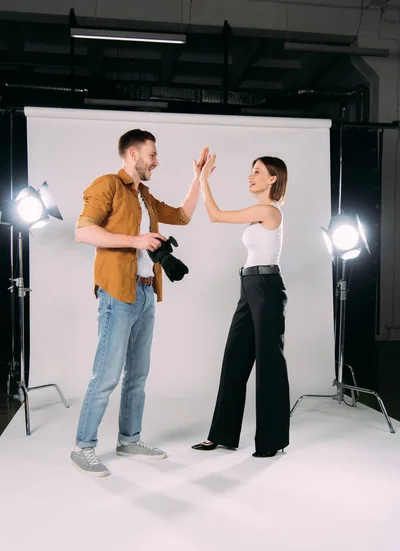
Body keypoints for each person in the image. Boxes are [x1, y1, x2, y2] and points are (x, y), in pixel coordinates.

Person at [71, 129, 208, 476]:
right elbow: (83, 231)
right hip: (117, 292)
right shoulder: (108, 185)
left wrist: (198, 178)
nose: (156, 162)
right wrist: (136, 239)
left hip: (146, 292)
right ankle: (83, 447)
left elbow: (183, 215)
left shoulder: (145, 195)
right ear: (133, 154)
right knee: (106, 375)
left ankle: (129, 439)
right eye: (152, 155)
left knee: (138, 374)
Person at [192, 153, 290, 458]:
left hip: (266, 287)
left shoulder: (269, 210)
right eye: (251, 171)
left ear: (273, 179)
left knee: (269, 364)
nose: (251, 176)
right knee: (234, 358)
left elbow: (215, 215)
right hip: (249, 286)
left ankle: (272, 441)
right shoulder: (258, 212)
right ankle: (221, 434)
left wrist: (203, 180)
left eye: (257, 172)